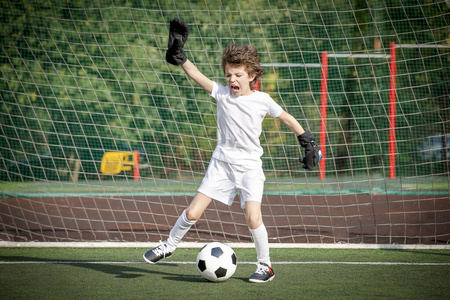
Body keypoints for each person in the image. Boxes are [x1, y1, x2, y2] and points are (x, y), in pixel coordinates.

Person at [143, 18, 321, 283]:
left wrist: (307, 140)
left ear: (251, 75)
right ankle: (168, 245)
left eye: (238, 75)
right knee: (192, 213)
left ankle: (265, 266)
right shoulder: (223, 94)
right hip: (221, 163)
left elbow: (287, 118)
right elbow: (197, 76)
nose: (232, 79)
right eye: (228, 75)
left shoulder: (262, 100)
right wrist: (180, 57)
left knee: (253, 217)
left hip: (250, 166)